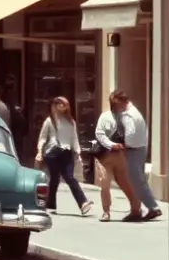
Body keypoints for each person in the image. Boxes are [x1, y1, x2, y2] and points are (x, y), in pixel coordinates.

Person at [96, 91, 161, 221]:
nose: (114, 106)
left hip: (130, 151)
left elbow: (131, 134)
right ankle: (109, 211)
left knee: (134, 180)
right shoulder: (109, 116)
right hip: (112, 154)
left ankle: (146, 208)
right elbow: (100, 133)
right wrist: (112, 144)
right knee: (110, 181)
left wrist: (125, 145)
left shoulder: (129, 115)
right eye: (113, 104)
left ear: (123, 102)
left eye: (116, 103)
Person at [34, 97, 92, 216]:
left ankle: (82, 203)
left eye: (64, 104)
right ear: (54, 106)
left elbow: (74, 139)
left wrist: (78, 153)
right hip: (53, 153)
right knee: (56, 177)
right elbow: (43, 138)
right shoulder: (50, 121)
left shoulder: (71, 122)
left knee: (68, 177)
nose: (61, 107)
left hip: (66, 152)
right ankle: (52, 204)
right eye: (59, 104)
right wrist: (40, 151)